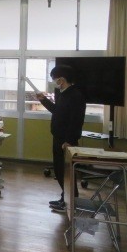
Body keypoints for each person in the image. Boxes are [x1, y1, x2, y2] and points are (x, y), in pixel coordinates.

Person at [36, 65, 86, 212]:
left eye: (54, 79)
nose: (54, 82)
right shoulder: (63, 94)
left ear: (62, 80)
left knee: (67, 173)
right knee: (59, 171)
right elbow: (57, 111)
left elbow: (76, 120)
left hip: (66, 140)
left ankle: (70, 203)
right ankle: (65, 198)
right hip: (58, 137)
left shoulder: (75, 95)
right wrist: (43, 100)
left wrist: (69, 140)